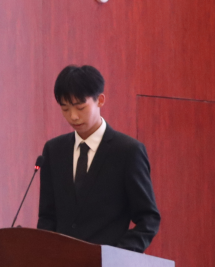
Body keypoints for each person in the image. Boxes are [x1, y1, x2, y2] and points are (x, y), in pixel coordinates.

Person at [37, 64, 161, 251]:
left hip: (108, 264)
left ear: (100, 100)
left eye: (80, 107)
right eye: (65, 108)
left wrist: (119, 254)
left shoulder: (128, 151)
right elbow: (47, 217)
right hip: (61, 264)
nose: (73, 116)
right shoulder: (53, 150)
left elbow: (148, 219)